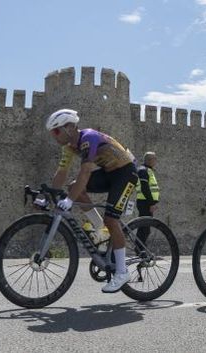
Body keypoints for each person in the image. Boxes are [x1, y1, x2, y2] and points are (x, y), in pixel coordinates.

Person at [41, 109, 138, 293]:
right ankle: (101, 230)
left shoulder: (89, 137)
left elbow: (85, 172)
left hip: (126, 173)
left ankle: (122, 271)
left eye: (56, 131)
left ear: (69, 127)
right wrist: (47, 195)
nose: (54, 136)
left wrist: (69, 201)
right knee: (73, 187)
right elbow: (61, 173)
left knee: (112, 219)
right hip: (109, 173)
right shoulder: (69, 147)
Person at [136, 152, 160, 242]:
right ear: (150, 160)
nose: (156, 161)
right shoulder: (143, 170)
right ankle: (140, 250)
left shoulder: (147, 170)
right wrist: (151, 203)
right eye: (155, 159)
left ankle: (140, 250)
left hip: (145, 202)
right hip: (145, 202)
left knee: (144, 228)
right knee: (144, 229)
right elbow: (144, 188)